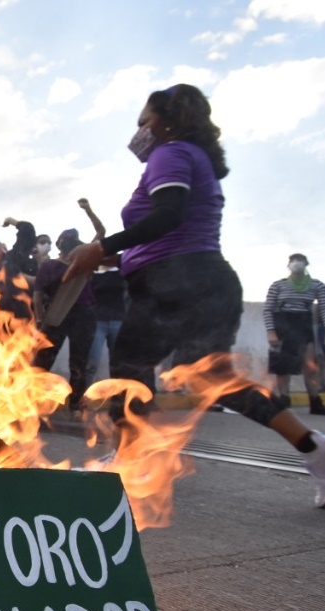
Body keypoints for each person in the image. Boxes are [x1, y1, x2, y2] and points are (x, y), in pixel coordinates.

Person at [64, 83, 325, 508]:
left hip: (177, 281)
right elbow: (167, 231)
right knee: (214, 380)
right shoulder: (189, 155)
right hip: (202, 279)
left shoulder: (171, 152)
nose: (138, 131)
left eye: (143, 121)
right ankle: (314, 447)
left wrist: (102, 247)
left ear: (167, 122)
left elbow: (169, 216)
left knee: (130, 367)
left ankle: (126, 461)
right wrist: (116, 260)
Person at [32, 228, 96, 412]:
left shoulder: (83, 265)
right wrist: (41, 318)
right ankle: (35, 404)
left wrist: (40, 318)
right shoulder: (51, 266)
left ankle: (74, 404)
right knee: (44, 362)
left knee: (74, 363)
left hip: (79, 316)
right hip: (58, 316)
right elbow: (38, 295)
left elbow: (37, 296)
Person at [264, 253, 325, 414]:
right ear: (288, 265)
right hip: (283, 324)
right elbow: (268, 309)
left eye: (301, 261)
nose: (297, 264)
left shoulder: (316, 285)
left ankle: (315, 401)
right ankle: (284, 398)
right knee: (283, 365)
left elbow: (324, 308)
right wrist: (271, 332)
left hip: (303, 324)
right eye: (294, 261)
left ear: (306, 264)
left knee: (310, 365)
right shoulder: (278, 285)